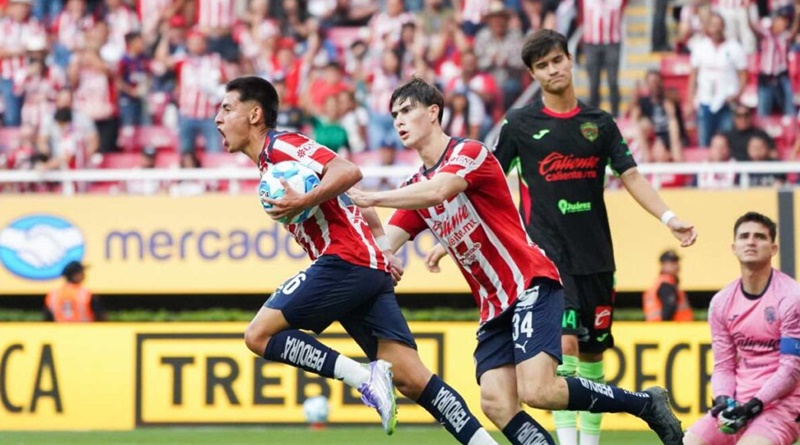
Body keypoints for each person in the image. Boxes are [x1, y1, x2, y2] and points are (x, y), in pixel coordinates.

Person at [347, 76, 685, 445]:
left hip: (529, 283)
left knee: (539, 390)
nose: (398, 120)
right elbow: (382, 246)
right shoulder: (416, 186)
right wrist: (352, 234)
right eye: (394, 114)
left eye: (406, 110)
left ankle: (644, 404)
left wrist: (373, 198)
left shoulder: (469, 153)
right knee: (496, 401)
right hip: (493, 307)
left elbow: (440, 189)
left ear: (433, 112)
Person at [213, 76, 496, 444]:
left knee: (259, 335)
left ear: (254, 114)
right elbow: (351, 196)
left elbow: (348, 172)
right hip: (363, 266)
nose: (218, 118)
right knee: (413, 379)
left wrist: (304, 201)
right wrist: (383, 247)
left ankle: (364, 377)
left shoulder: (281, 146)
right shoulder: (271, 165)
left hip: (345, 259)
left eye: (227, 108)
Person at [486, 29, 698, 445]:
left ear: (570, 60)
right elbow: (488, 183)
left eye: (557, 60)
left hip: (596, 257)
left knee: (593, 355)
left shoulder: (599, 123)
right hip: (546, 261)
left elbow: (631, 175)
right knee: (563, 350)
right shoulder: (520, 124)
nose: (552, 70)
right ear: (533, 74)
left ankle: (590, 442)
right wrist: (455, 238)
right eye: (542, 65)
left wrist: (668, 217)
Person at [684, 212, 800, 445]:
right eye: (744, 236)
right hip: (738, 405)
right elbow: (723, 366)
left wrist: (754, 405)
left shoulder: (791, 297)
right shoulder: (721, 302)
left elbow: (791, 370)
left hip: (782, 405)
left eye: (760, 237)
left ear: (773, 249)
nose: (751, 241)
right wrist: (723, 401)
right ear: (734, 247)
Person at [642, 250, 693, 322]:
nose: (677, 266)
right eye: (672, 263)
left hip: (656, 327)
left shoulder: (658, 283)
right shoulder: (667, 284)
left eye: (677, 262)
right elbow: (668, 310)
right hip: (671, 327)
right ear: (663, 265)